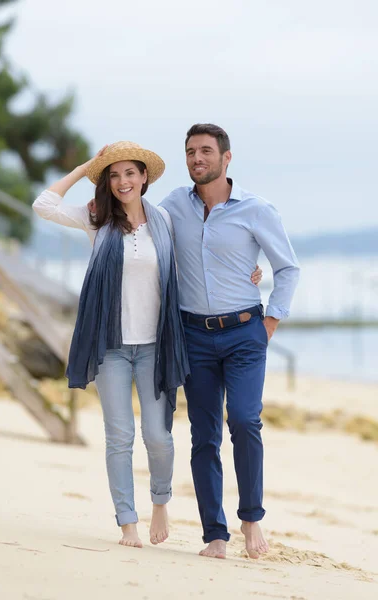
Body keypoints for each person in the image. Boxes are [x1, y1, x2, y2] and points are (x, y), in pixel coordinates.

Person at [32, 139, 264, 550]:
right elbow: (43, 205)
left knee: (158, 435)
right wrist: (90, 164)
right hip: (111, 347)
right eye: (114, 174)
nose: (123, 181)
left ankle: (160, 502)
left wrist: (250, 270)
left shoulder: (165, 220)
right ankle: (127, 523)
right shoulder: (95, 220)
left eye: (130, 173)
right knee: (119, 435)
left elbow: (202, 254)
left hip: (156, 345)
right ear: (107, 181)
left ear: (143, 178)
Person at [160, 123, 300, 560]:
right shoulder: (172, 207)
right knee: (203, 435)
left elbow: (288, 268)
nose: (196, 158)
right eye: (190, 152)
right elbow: (137, 226)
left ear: (226, 157)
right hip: (193, 335)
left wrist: (271, 321)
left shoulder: (256, 210)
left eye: (205, 150)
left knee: (243, 420)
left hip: (244, 334)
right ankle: (214, 534)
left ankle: (251, 518)